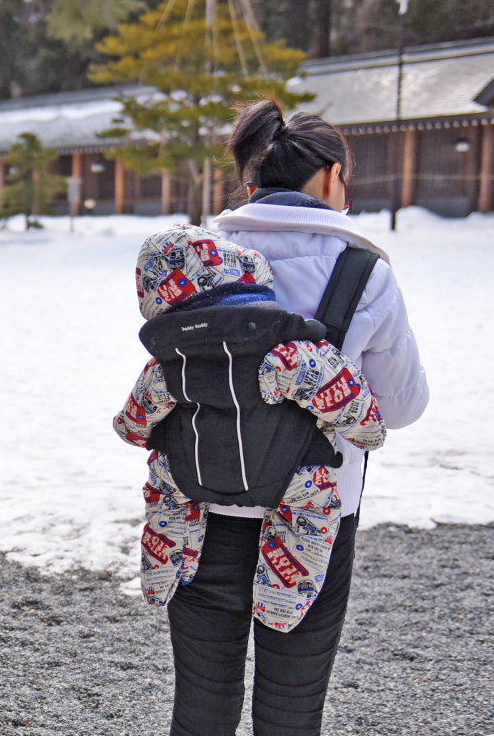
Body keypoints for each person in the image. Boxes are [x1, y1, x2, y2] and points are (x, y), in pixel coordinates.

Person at [144, 100, 429, 736]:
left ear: (250, 174)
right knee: (291, 710)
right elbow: (403, 406)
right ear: (333, 177)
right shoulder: (361, 272)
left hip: (195, 518)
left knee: (201, 702)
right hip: (308, 528)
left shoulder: (195, 259)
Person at [114, 224, 388, 632]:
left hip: (189, 472)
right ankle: (282, 599)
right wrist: (351, 417)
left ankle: (162, 568)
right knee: (310, 508)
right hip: (290, 474)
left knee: (166, 493)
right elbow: (362, 420)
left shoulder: (167, 368)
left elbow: (132, 428)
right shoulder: (290, 353)